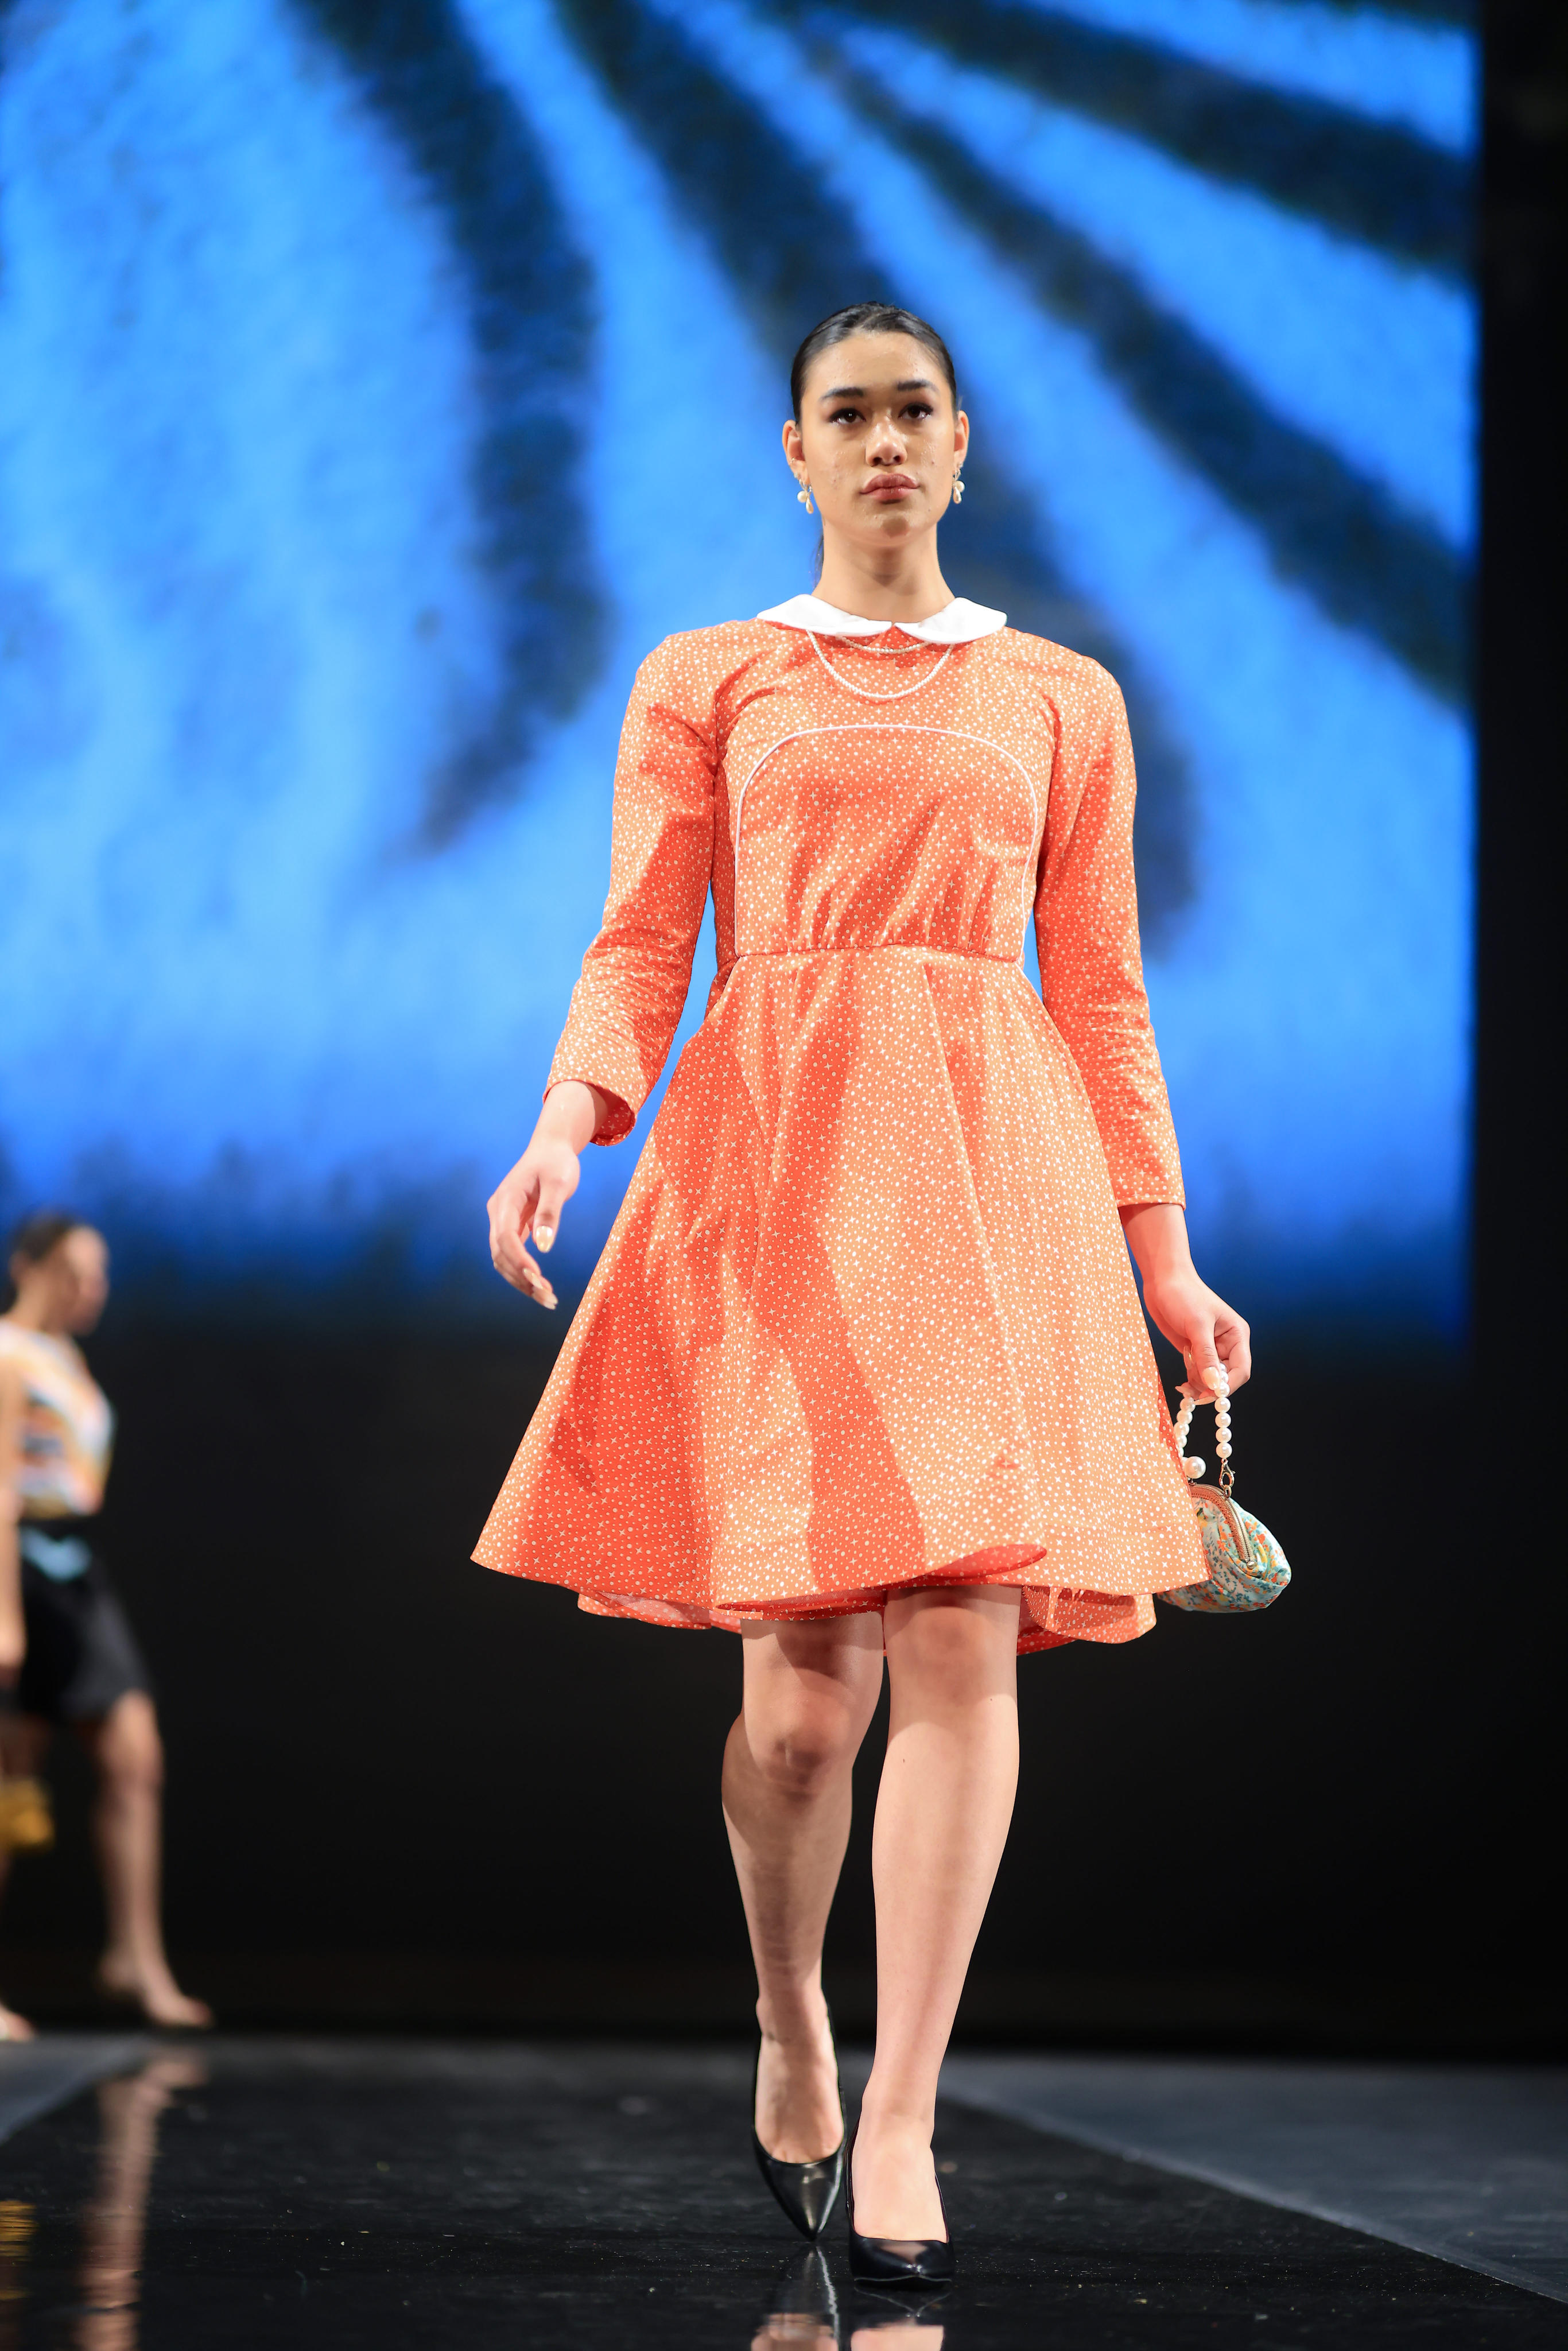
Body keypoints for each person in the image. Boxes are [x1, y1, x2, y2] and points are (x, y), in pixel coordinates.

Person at [476, 302, 1250, 2286]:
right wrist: (571, 1116)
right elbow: (648, 926)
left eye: (917, 409)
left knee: (964, 1642)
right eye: (849, 412)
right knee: (802, 1712)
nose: (886, 438)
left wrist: (1160, 1249)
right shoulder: (711, 675)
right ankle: (792, 2014)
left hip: (993, 1176)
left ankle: (905, 2108)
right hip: (777, 1167)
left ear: (965, 446)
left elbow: (1099, 982)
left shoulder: (1061, 694)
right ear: (796, 453)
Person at [0, 1212, 212, 2036]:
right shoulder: (10, 1353)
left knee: (134, 1758)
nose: (91, 1289)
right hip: (18, 1566)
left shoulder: (65, 1357)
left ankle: (134, 1957)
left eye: (99, 1274)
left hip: (72, 1567)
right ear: (33, 1268)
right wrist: (7, 1618)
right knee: (12, 1775)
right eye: (75, 1272)